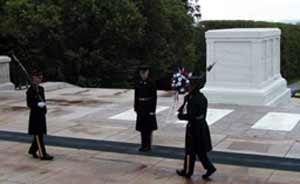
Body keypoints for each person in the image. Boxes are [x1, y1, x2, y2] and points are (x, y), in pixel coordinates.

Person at [176, 73, 216, 179]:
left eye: (190, 84)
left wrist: (181, 116)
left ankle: (188, 171)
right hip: (201, 126)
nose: (188, 86)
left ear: (194, 86)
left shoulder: (194, 99)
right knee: (200, 151)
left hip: (194, 128)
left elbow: (191, 116)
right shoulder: (201, 97)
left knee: (190, 151)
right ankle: (209, 168)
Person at [27, 69, 53, 160]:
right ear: (34, 78)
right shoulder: (30, 90)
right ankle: (42, 154)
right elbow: (29, 104)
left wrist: (44, 108)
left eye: (41, 77)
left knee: (40, 134)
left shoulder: (41, 89)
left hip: (41, 114)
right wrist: (37, 104)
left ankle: (32, 150)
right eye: (38, 77)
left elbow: (43, 100)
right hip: (35, 116)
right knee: (38, 135)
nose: (40, 79)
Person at [134, 65, 157, 152]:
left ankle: (148, 145)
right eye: (142, 73)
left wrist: (152, 110)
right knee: (142, 128)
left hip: (148, 108)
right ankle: (143, 145)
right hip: (141, 107)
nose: (143, 75)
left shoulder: (151, 83)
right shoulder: (138, 83)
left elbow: (154, 98)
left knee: (148, 128)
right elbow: (136, 96)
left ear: (147, 73)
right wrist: (136, 107)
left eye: (145, 73)